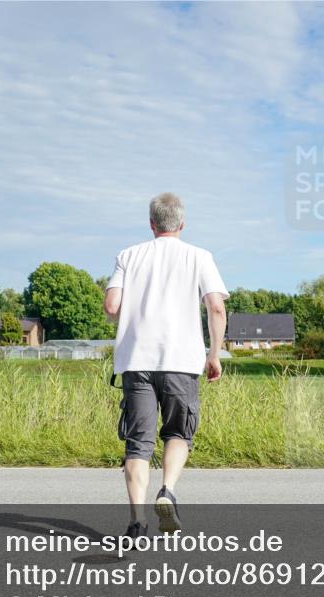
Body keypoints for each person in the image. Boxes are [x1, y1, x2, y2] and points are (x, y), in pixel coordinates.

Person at [103, 192, 228, 539]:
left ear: (151, 223)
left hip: (136, 362)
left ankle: (136, 524)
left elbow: (112, 306)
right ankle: (167, 491)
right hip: (181, 361)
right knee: (177, 433)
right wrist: (214, 354)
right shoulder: (199, 256)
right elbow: (216, 307)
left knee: (138, 445)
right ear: (182, 223)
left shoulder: (128, 255)